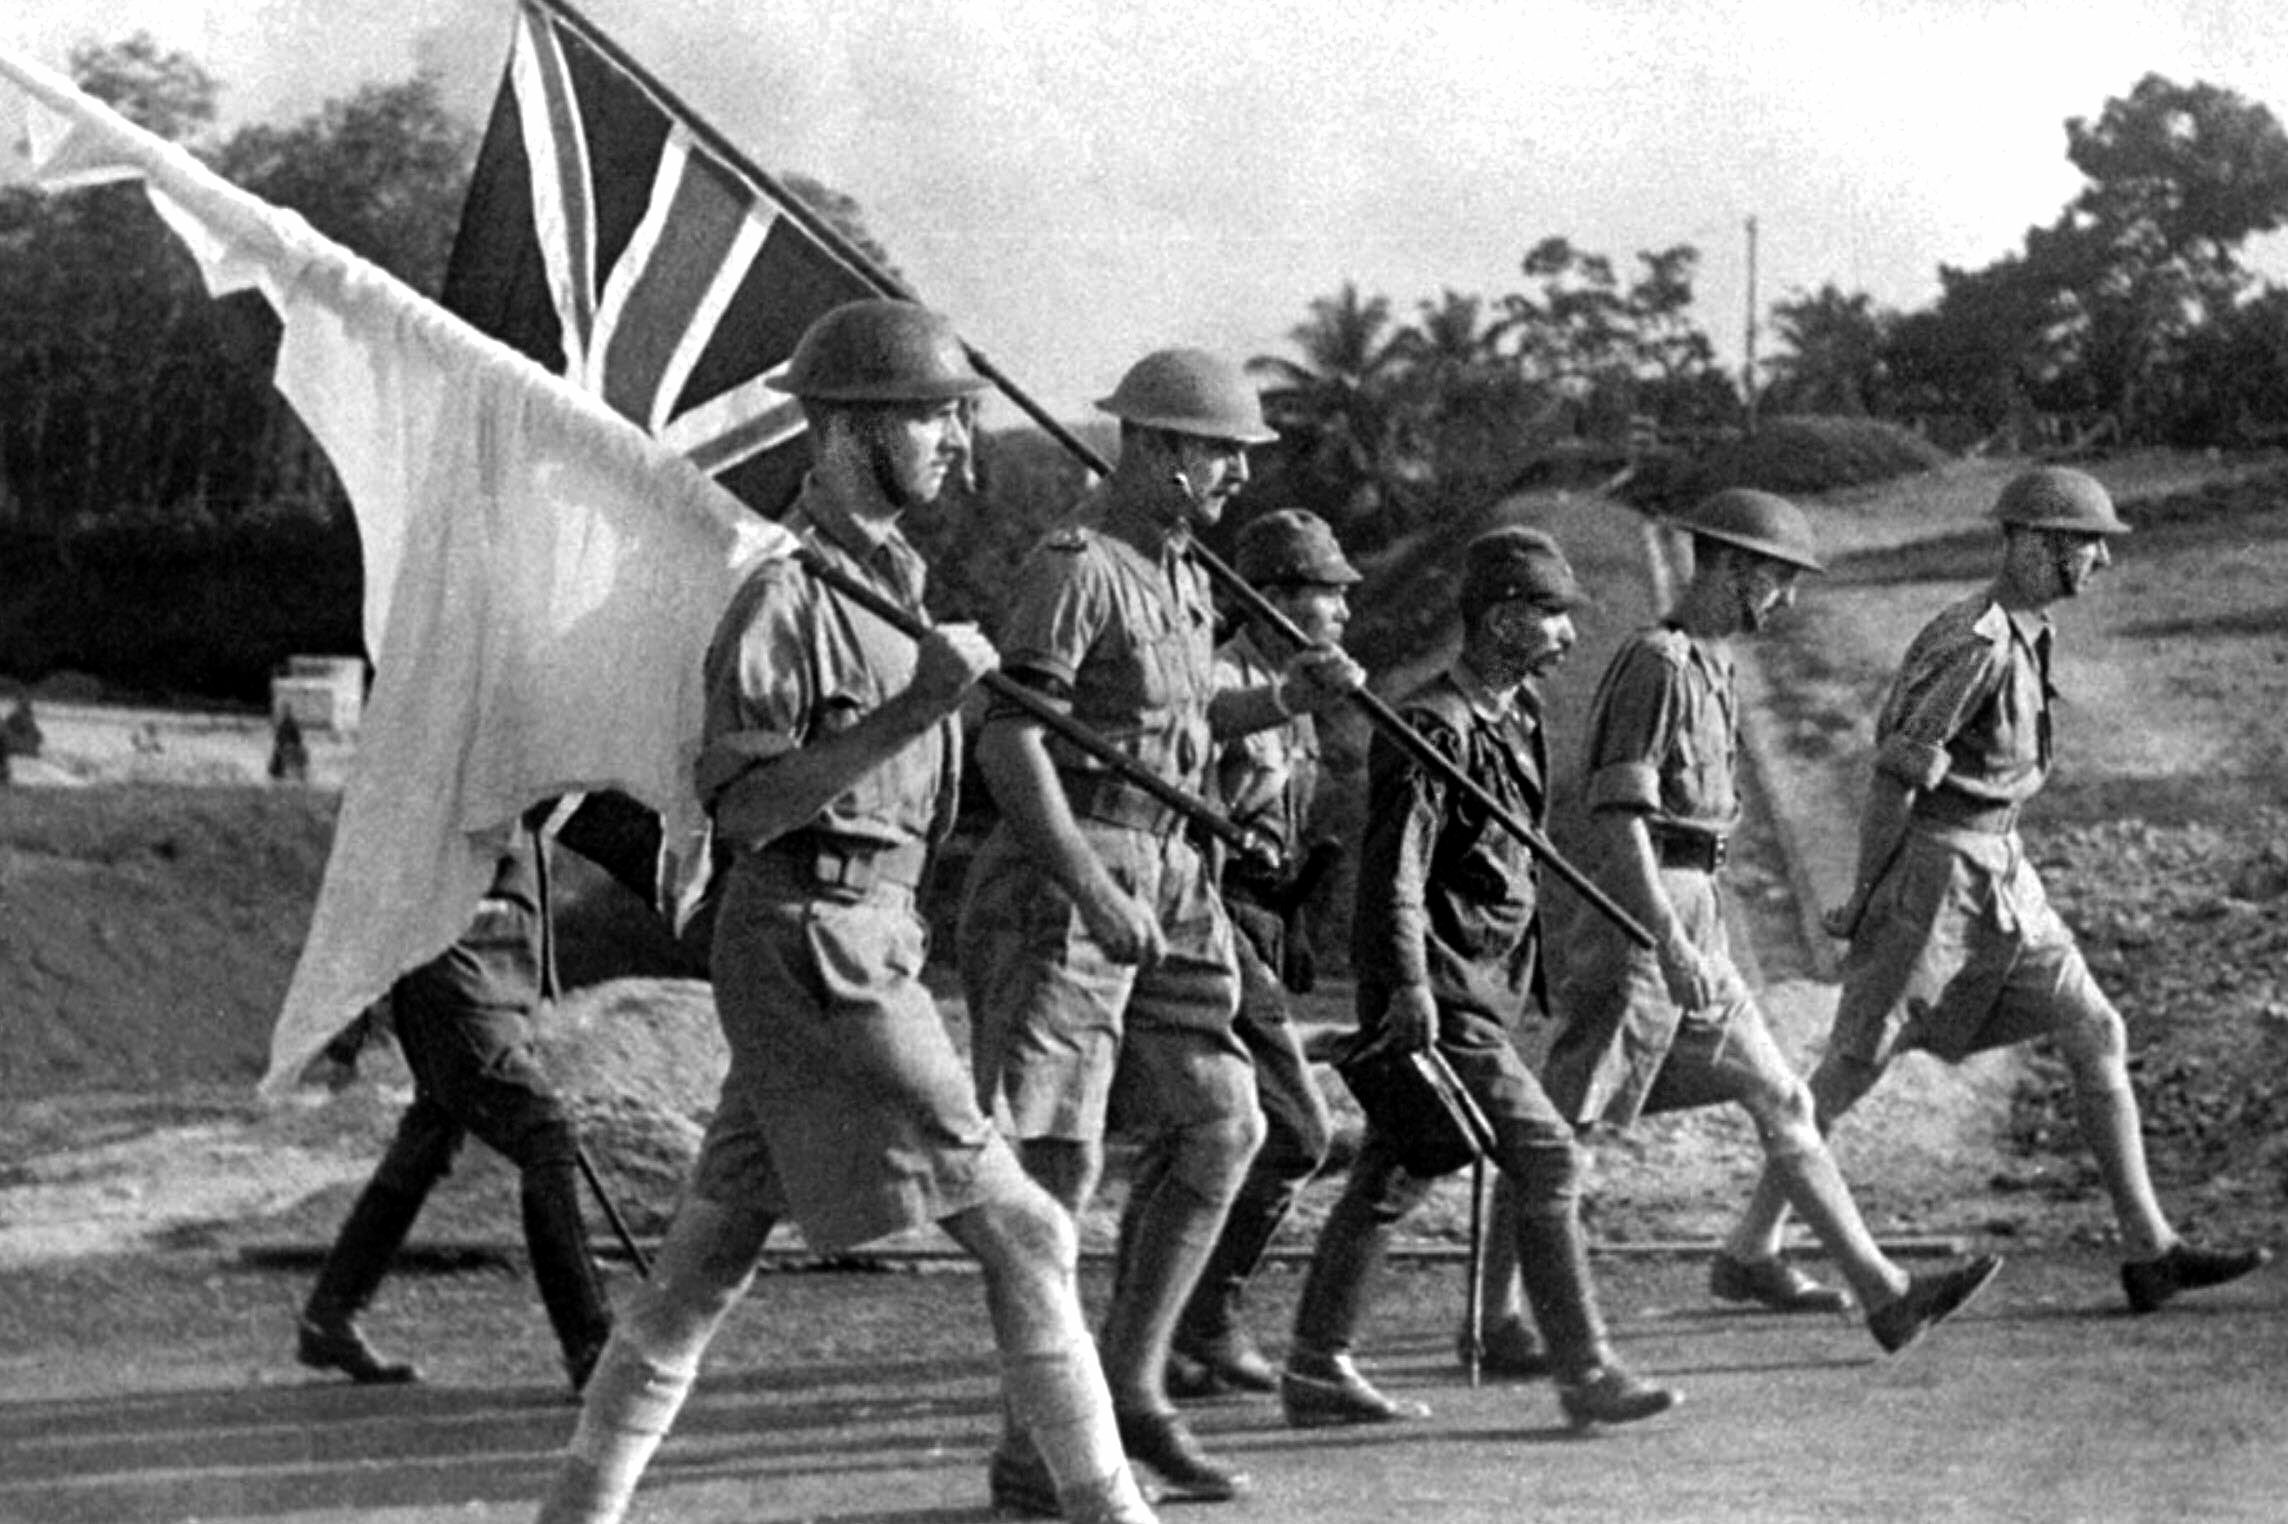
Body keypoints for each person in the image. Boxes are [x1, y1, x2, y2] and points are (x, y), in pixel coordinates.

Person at [537, 300, 1156, 1524]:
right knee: (1028, 1230)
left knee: (701, 1266)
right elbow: (748, 809)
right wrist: (917, 707)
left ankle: (577, 1513)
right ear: (847, 428)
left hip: (859, 940)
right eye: (933, 421)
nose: (955, 450)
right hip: (813, 943)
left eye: (955, 422)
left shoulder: (892, 584)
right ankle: (1108, 1511)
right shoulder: (783, 594)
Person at [1718, 467, 2271, 1316]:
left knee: (2095, 1027)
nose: (2101, 562)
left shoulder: (2025, 632)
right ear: (2038, 546)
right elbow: (1896, 776)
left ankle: (2149, 1248)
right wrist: (1866, 900)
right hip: (1936, 877)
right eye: (2088, 544)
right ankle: (1751, 1250)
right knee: (1854, 1065)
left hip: (2002, 871)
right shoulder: (1972, 642)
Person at [959, 349, 1363, 1504]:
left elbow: (1171, 721)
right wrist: (1087, 883)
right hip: (1065, 878)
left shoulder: (1179, 575)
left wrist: (1284, 699)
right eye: (1215, 452)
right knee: (1054, 1166)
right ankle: (1032, 1445)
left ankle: (1130, 1393)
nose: (1234, 474)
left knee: (1225, 1123)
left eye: (1237, 453)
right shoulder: (1072, 569)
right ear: (1149, 447)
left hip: (1176, 878)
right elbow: (1011, 740)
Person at [1525, 488, 2002, 1362]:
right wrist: (1666, 938)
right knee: (1562, 1130)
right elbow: (1620, 816)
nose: (1783, 602)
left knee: (1782, 1096)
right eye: (1777, 581)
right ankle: (1498, 1317)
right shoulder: (1659, 663)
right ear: (1736, 569)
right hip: (1644, 913)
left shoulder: (1711, 666)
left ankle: (1885, 1296)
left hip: (1692, 910)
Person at [1280, 527, 1677, 1432]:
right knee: (1546, 1156)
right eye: (1550, 617)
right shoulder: (1430, 727)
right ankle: (1586, 1371)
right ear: (1501, 619)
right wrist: (1411, 988)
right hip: (1441, 992)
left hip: (1487, 987)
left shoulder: (1519, 716)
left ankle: (1314, 1366)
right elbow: (1394, 875)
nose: (1568, 636)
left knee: (1398, 1166)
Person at [297, 818, 614, 1394]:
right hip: (457, 988)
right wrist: (349, 1031)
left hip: (500, 984)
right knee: (544, 1134)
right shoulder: (443, 756)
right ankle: (590, 1343)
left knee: (430, 1138)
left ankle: (329, 1316)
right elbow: (382, 893)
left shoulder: (518, 763)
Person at [1164, 509, 1352, 1399]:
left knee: (1237, 1135)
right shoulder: (1223, 681)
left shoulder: (1293, 688)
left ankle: (1177, 1332)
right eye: (1326, 594)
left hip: (1265, 923)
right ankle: (1200, 1320)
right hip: (1211, 920)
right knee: (1293, 1133)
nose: (1343, 611)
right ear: (1273, 599)